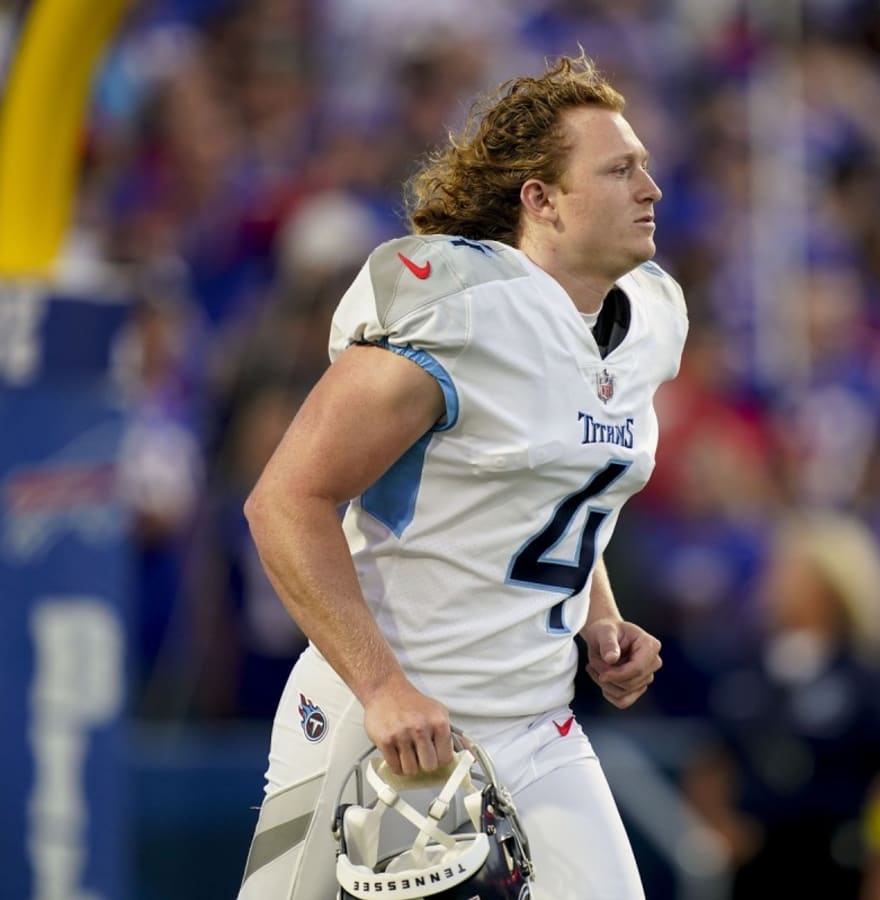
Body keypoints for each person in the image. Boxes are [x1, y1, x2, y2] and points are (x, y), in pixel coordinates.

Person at [234, 51, 687, 900]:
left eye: (647, 166)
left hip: (534, 718)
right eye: (620, 168)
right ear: (541, 200)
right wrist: (381, 688)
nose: (650, 187)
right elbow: (283, 501)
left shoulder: (650, 321)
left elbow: (548, 488)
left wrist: (600, 614)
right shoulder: (461, 314)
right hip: (389, 719)